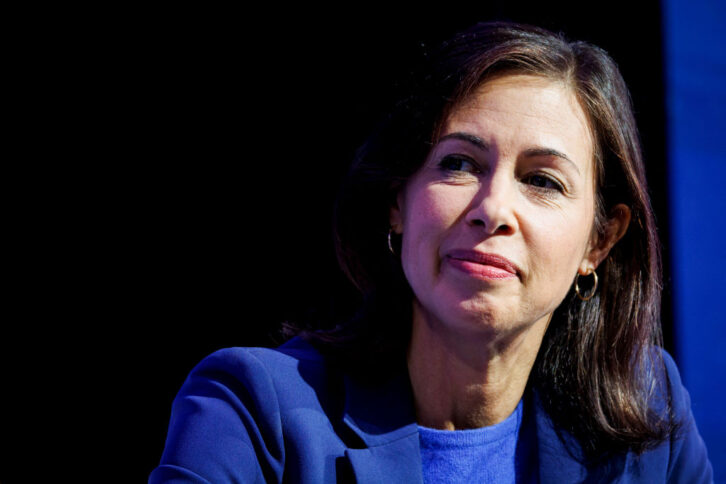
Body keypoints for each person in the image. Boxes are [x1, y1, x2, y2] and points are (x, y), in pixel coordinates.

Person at [149, 22, 713, 483]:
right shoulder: (253, 409)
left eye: (542, 180)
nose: (493, 209)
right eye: (458, 164)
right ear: (397, 202)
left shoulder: (648, 414)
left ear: (599, 241)